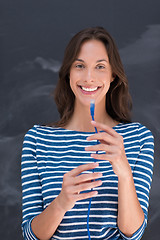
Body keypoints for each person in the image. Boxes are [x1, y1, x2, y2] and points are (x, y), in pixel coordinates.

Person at [21, 27, 154, 240]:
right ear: (69, 73)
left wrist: (124, 172)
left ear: (113, 75)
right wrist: (61, 202)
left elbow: (133, 233)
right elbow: (30, 235)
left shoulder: (139, 138)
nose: (89, 77)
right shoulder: (38, 140)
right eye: (80, 66)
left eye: (100, 66)